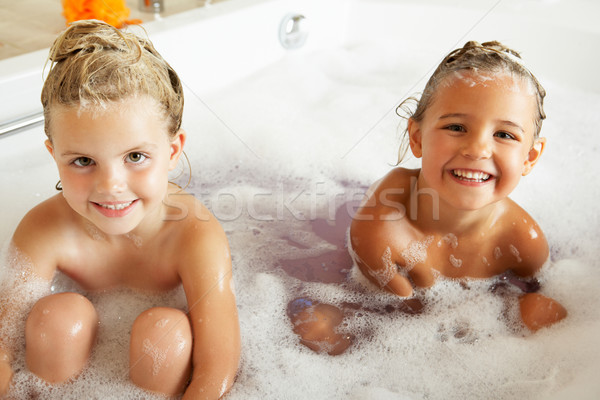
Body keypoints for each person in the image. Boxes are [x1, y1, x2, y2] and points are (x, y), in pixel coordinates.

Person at [0, 20, 240, 398]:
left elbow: (216, 366)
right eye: (82, 161)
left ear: (173, 151)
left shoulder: (193, 234)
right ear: (54, 156)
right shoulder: (43, 229)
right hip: (60, 369)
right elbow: (2, 345)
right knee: (57, 318)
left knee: (165, 333)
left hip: (157, 369)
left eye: (135, 156)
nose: (110, 185)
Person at [349, 41, 566, 332]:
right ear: (417, 138)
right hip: (396, 326)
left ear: (529, 157)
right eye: (456, 127)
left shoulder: (523, 242)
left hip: (470, 325)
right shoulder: (382, 229)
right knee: (317, 326)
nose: (477, 150)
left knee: (544, 313)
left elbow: (540, 288)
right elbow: (403, 322)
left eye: (504, 134)